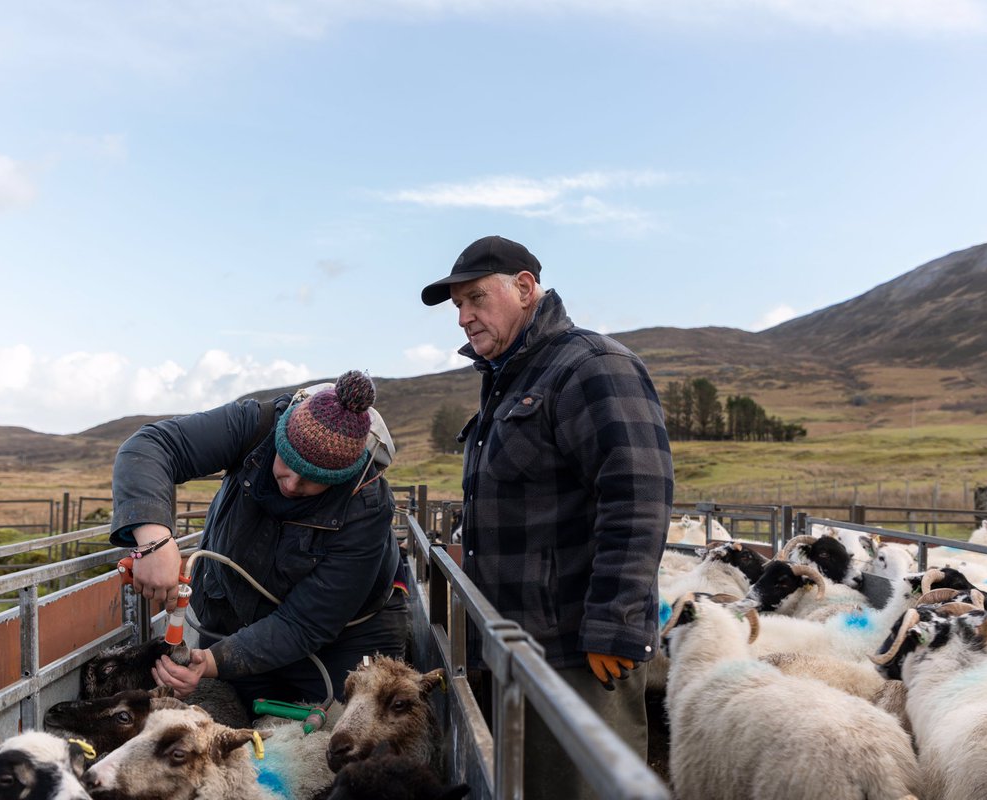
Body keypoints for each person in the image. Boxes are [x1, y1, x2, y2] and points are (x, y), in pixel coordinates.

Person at [421, 235, 673, 799]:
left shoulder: (591, 366)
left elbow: (638, 496)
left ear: (525, 288)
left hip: (580, 653)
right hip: (519, 649)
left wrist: (615, 622)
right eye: (457, 306)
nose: (462, 318)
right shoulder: (510, 380)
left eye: (475, 299)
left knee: (581, 787)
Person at [108, 370, 408, 711]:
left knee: (349, 734)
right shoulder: (255, 425)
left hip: (344, 637)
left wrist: (210, 662)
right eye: (287, 462)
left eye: (313, 480)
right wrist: (154, 539)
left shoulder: (367, 504)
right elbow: (151, 447)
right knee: (232, 725)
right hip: (233, 619)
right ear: (279, 437)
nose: (292, 484)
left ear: (344, 477)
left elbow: (306, 622)